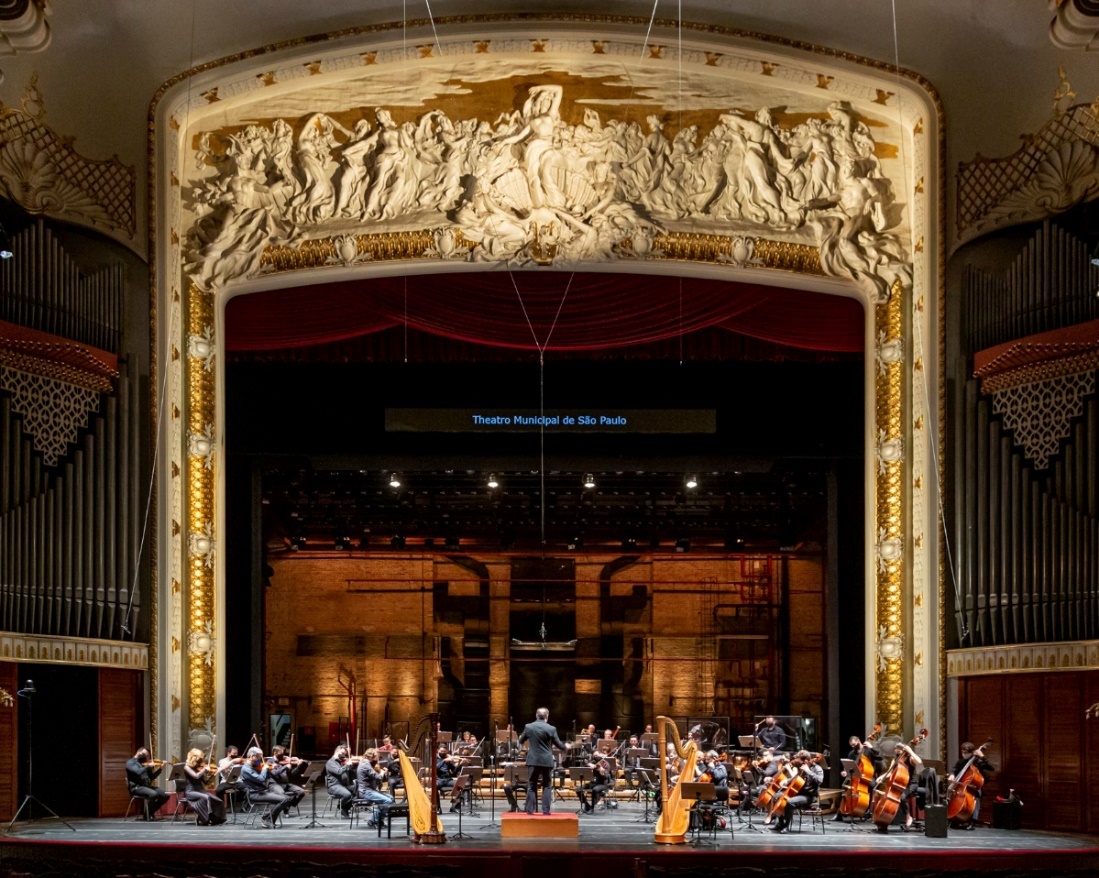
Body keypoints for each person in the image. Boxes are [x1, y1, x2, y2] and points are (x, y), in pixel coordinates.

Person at [518, 706, 571, 815]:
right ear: (547, 716)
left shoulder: (529, 727)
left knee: (532, 784)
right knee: (547, 785)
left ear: (536, 716)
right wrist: (565, 746)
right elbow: (559, 745)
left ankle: (529, 810)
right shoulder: (551, 728)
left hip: (533, 760)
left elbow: (520, 740)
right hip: (546, 760)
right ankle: (546, 811)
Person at [769, 750, 823, 834]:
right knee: (779, 797)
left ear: (805, 760)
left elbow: (820, 780)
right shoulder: (802, 767)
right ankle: (780, 823)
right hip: (798, 794)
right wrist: (787, 781)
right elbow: (796, 777)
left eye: (799, 760)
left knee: (790, 802)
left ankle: (786, 826)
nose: (798, 761)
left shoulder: (817, 768)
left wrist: (808, 771)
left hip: (809, 796)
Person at [874, 740, 923, 832]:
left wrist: (910, 751)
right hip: (899, 784)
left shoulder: (910, 758)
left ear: (904, 751)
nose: (898, 754)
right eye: (896, 751)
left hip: (911, 784)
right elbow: (890, 773)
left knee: (901, 796)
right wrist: (881, 777)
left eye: (900, 752)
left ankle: (908, 817)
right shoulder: (895, 759)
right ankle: (885, 818)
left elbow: (919, 761)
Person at [240, 747, 291, 828]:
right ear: (253, 756)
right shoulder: (246, 769)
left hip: (262, 792)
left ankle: (267, 818)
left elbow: (266, 778)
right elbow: (260, 779)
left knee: (287, 798)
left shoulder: (255, 766)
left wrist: (270, 769)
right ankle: (267, 819)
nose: (260, 759)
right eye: (259, 757)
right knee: (283, 800)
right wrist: (264, 769)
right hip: (255, 794)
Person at [947, 741, 994, 829]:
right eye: (963, 752)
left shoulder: (977, 761)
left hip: (974, 787)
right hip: (962, 787)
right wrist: (952, 774)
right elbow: (955, 769)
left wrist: (982, 756)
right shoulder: (961, 762)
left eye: (966, 753)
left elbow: (991, 768)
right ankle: (955, 819)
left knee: (976, 796)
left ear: (972, 752)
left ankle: (973, 821)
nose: (964, 754)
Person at [182, 748, 226, 825]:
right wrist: (204, 770)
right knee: (206, 797)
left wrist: (213, 774)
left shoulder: (200, 767)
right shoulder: (186, 767)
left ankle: (217, 819)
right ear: (194, 758)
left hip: (200, 790)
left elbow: (206, 782)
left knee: (218, 800)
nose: (201, 761)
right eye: (199, 758)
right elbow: (196, 776)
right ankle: (206, 819)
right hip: (191, 791)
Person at [125, 747, 170, 818]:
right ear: (139, 753)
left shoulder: (144, 764)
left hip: (146, 786)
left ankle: (150, 812)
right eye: (145, 755)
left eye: (147, 756)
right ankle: (147, 815)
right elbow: (138, 772)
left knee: (165, 795)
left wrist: (160, 768)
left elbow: (152, 777)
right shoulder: (130, 763)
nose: (146, 758)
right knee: (154, 794)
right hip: (137, 787)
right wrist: (148, 766)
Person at [356, 748, 395, 828]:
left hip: (369, 790)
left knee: (390, 798)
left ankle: (376, 820)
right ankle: (376, 820)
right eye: (377, 756)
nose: (378, 758)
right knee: (387, 801)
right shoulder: (365, 764)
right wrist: (382, 772)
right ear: (372, 756)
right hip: (365, 791)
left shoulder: (367, 763)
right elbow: (378, 777)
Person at [268, 745, 306, 810]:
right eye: (281, 753)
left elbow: (292, 773)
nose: (283, 755)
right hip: (275, 784)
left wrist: (298, 766)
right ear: (275, 753)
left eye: (283, 753)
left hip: (285, 783)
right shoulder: (270, 762)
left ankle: (290, 804)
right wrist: (285, 767)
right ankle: (285, 809)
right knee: (283, 795)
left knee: (301, 792)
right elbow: (274, 773)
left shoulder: (284, 761)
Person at [325, 744, 356, 819]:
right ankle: (340, 806)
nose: (343, 756)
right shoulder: (330, 762)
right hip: (334, 786)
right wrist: (347, 765)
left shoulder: (342, 762)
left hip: (343, 785)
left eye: (344, 754)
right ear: (337, 751)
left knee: (357, 789)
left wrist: (352, 766)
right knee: (347, 794)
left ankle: (345, 808)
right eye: (342, 754)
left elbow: (352, 773)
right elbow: (338, 772)